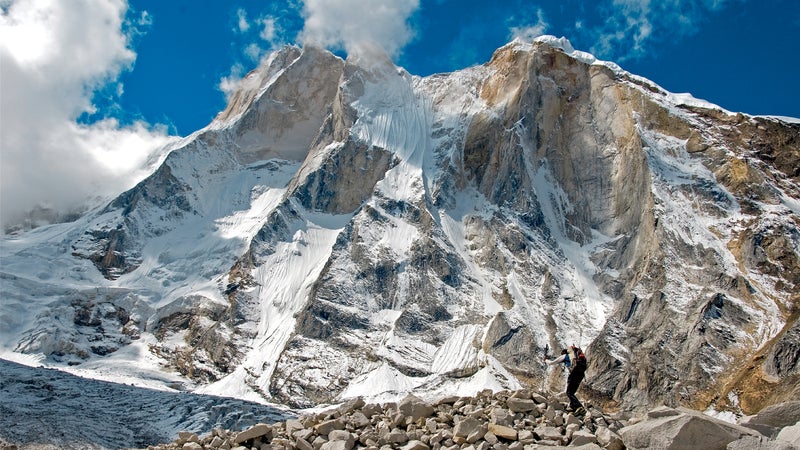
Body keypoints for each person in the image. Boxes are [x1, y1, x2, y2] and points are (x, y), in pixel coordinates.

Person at [545, 346, 587, 414]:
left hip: (574, 372)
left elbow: (551, 363)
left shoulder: (565, 356)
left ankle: (579, 407)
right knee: (571, 392)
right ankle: (573, 407)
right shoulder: (576, 357)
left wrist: (545, 360)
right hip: (581, 374)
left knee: (569, 392)